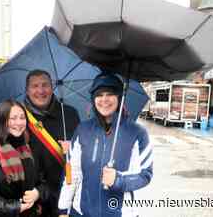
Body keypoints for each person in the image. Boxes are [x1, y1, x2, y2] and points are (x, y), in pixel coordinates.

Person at [58, 73, 153, 217]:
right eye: (99, 94)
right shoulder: (82, 130)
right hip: (82, 212)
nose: (104, 99)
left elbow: (145, 175)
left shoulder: (137, 133)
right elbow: (72, 173)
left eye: (110, 94)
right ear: (93, 99)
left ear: (119, 97)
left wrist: (118, 180)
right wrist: (63, 208)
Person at [24, 69, 80, 217]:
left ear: (52, 87)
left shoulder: (69, 114)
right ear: (27, 90)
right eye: (35, 86)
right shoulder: (19, 117)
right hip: (32, 197)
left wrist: (73, 148)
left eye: (45, 85)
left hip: (65, 195)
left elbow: (83, 152)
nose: (41, 90)